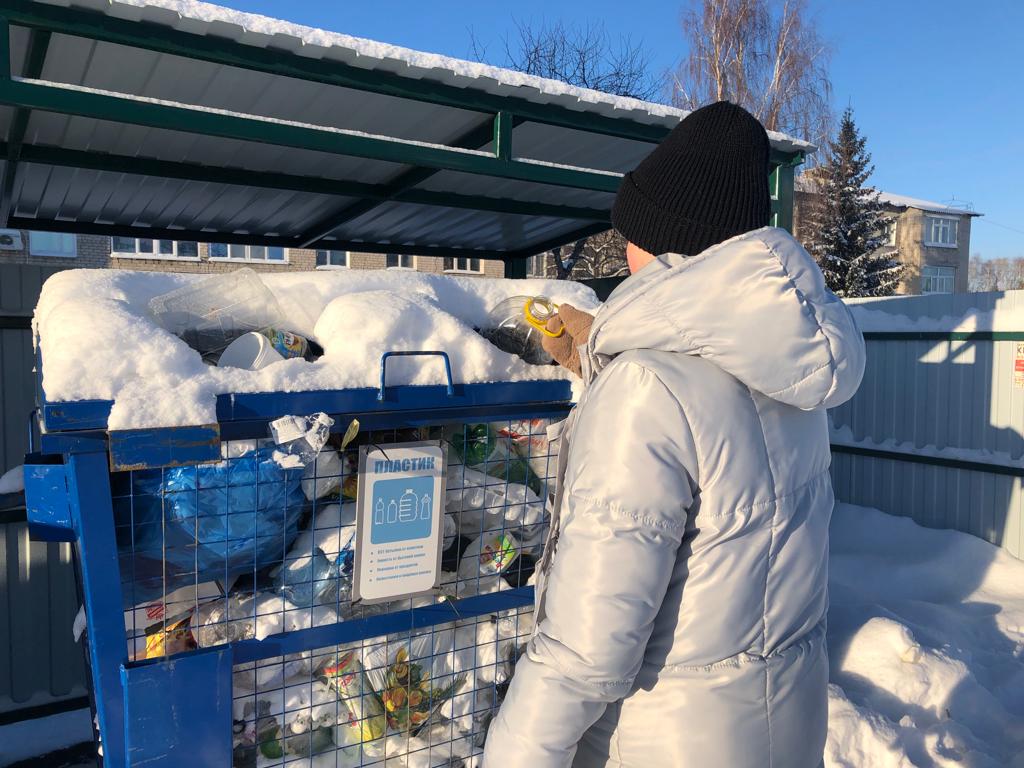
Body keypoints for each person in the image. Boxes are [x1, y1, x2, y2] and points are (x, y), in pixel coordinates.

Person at [482, 101, 865, 768]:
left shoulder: (644, 391)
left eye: (631, 229)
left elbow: (586, 649)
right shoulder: (791, 371)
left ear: (664, 242)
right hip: (779, 723)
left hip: (666, 739)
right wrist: (599, 350)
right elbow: (711, 414)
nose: (624, 245)